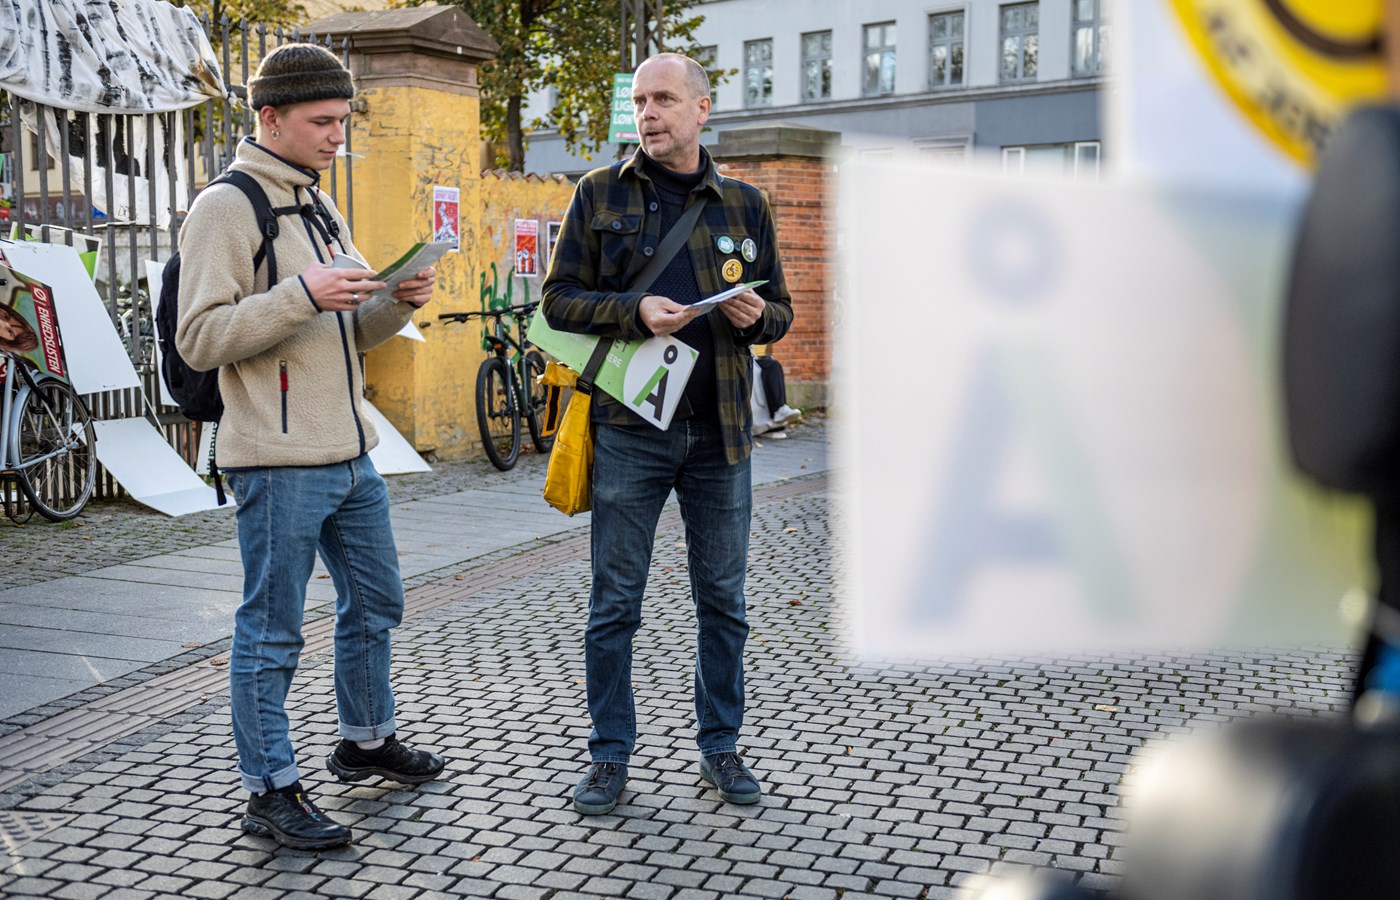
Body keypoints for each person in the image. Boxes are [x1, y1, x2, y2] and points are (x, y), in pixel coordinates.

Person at [176, 43, 444, 850]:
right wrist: (298, 294)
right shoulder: (225, 209)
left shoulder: (320, 206)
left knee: (378, 600)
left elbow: (346, 329)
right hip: (277, 459)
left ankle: (364, 742)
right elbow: (198, 338)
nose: (337, 135)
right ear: (271, 118)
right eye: (322, 121)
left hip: (351, 452)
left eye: (342, 120)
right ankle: (269, 790)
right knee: (272, 628)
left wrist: (395, 301)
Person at [542, 52, 793, 815]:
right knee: (614, 600)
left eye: (663, 100)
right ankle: (608, 756)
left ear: (701, 109)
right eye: (641, 102)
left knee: (724, 601)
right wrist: (633, 312)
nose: (648, 114)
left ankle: (720, 747)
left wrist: (759, 319)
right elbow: (557, 303)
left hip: (720, 437)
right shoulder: (598, 194)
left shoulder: (746, 205)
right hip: (630, 431)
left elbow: (781, 311)